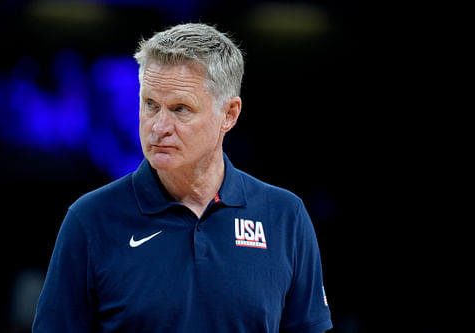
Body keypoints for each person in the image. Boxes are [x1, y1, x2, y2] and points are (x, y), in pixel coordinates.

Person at [33, 23, 332, 333]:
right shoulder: (89, 220)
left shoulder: (284, 216)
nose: (159, 126)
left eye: (180, 108)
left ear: (229, 114)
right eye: (150, 104)